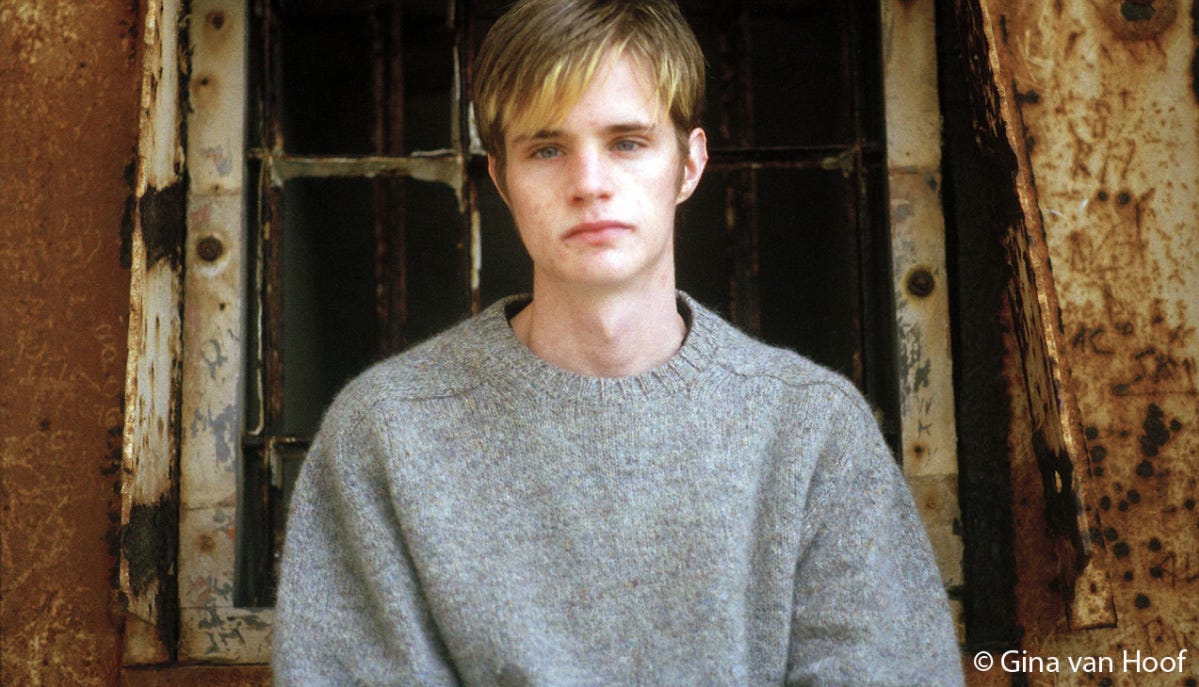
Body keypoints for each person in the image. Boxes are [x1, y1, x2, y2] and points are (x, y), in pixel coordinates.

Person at [273, 0, 964, 684]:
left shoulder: (812, 428)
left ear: (689, 165)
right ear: (502, 180)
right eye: (547, 149)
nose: (589, 184)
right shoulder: (386, 431)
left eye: (627, 142)